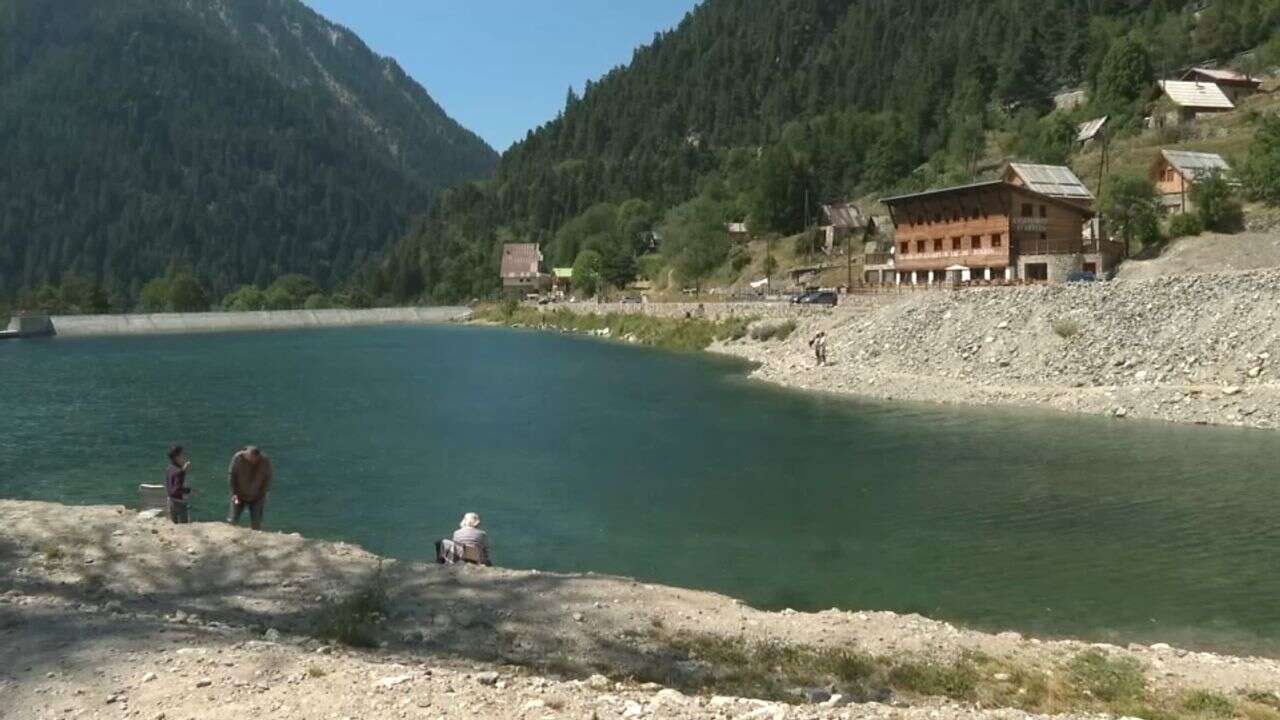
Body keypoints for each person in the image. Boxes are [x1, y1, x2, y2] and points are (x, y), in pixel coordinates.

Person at [227, 446, 272, 531]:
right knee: (233, 518)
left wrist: (263, 493)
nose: (251, 460)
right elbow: (232, 476)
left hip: (257, 496)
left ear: (257, 457)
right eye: (248, 457)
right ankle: (230, 535)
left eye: (252, 458)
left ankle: (256, 538)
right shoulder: (238, 458)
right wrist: (234, 493)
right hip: (238, 494)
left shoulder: (265, 461)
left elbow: (268, 478)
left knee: (256, 521)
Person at [165, 445, 193, 524]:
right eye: (182, 455)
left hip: (170, 501)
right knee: (183, 527)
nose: (183, 457)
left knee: (173, 525)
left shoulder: (169, 468)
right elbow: (177, 489)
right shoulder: (179, 472)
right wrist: (190, 490)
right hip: (179, 503)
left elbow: (174, 478)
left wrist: (183, 470)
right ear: (177, 457)